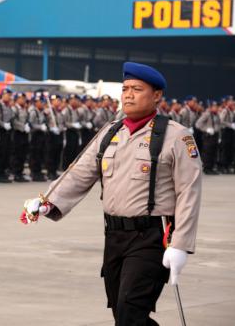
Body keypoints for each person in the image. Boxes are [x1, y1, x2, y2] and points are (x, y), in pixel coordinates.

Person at [21, 62, 202, 325]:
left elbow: (189, 191)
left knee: (130, 310)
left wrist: (181, 245)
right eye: (125, 88)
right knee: (123, 313)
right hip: (114, 235)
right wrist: (48, 202)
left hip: (151, 237)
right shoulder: (111, 132)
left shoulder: (175, 136)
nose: (128, 94)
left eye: (137, 89)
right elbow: (80, 172)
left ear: (157, 95)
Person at [196, 100, 221, 175]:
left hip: (215, 135)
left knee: (213, 152)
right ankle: (207, 168)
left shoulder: (217, 115)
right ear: (211, 107)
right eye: (214, 107)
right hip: (208, 136)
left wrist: (219, 136)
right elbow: (198, 124)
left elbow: (219, 125)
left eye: (217, 106)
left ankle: (211, 167)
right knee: (207, 152)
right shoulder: (207, 114)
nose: (216, 108)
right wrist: (206, 129)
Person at [0, 89, 14, 183]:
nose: (9, 97)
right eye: (7, 95)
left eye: (10, 95)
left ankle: (3, 172)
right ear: (3, 95)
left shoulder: (9, 106)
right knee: (1, 153)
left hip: (7, 132)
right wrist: (3, 124)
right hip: (0, 131)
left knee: (6, 153)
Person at [11, 92, 30, 182]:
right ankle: (16, 173)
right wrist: (22, 126)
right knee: (17, 154)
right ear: (17, 100)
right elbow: (13, 121)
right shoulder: (14, 109)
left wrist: (27, 125)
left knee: (23, 154)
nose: (23, 100)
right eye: (21, 98)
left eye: (24, 98)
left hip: (24, 134)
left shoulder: (24, 109)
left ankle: (20, 172)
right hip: (17, 133)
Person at [28, 94, 48, 181]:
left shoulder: (42, 112)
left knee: (40, 154)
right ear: (36, 103)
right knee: (35, 154)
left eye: (43, 102)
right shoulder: (33, 112)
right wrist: (40, 127)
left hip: (41, 135)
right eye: (41, 102)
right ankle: (34, 172)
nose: (42, 104)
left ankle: (38, 171)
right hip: (35, 135)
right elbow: (31, 124)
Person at [45, 94, 65, 180]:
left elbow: (62, 123)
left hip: (59, 134)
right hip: (51, 135)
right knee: (51, 154)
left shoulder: (59, 111)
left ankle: (54, 171)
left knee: (57, 153)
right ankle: (50, 172)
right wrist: (51, 128)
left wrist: (60, 129)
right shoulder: (48, 111)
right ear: (52, 101)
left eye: (59, 100)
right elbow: (45, 122)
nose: (58, 102)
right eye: (56, 100)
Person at [61, 94, 82, 169]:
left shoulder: (76, 111)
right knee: (68, 151)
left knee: (74, 151)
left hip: (75, 132)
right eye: (73, 100)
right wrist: (72, 125)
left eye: (76, 100)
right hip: (68, 132)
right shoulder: (66, 110)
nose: (75, 102)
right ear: (70, 101)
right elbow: (63, 122)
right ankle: (66, 167)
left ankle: (71, 167)